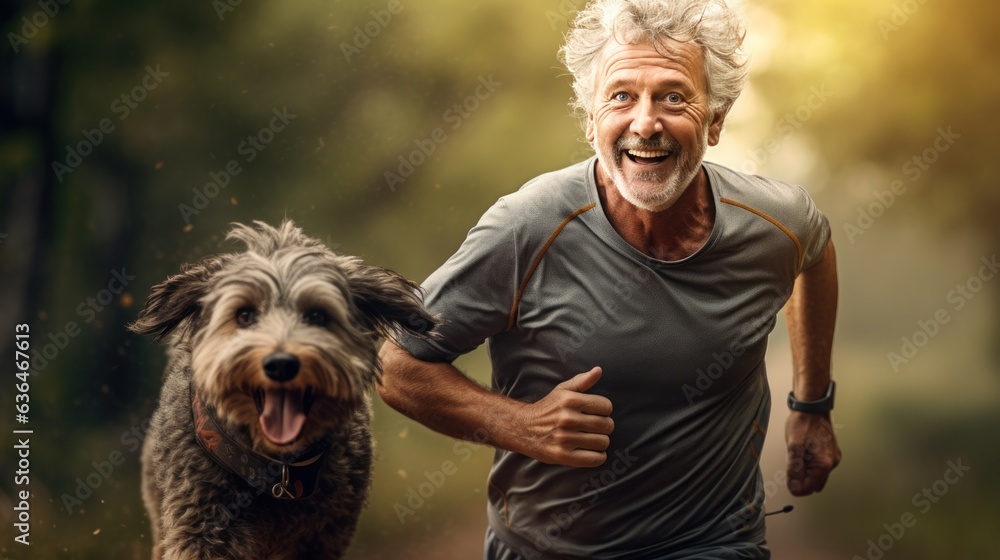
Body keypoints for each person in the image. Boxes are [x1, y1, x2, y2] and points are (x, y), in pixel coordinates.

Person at [378, 0, 841, 558]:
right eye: (622, 96)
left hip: (715, 543)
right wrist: (519, 425)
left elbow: (816, 250)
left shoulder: (773, 223)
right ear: (592, 119)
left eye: (674, 96)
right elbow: (395, 363)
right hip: (542, 549)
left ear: (715, 120)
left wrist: (812, 406)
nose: (645, 122)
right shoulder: (527, 227)